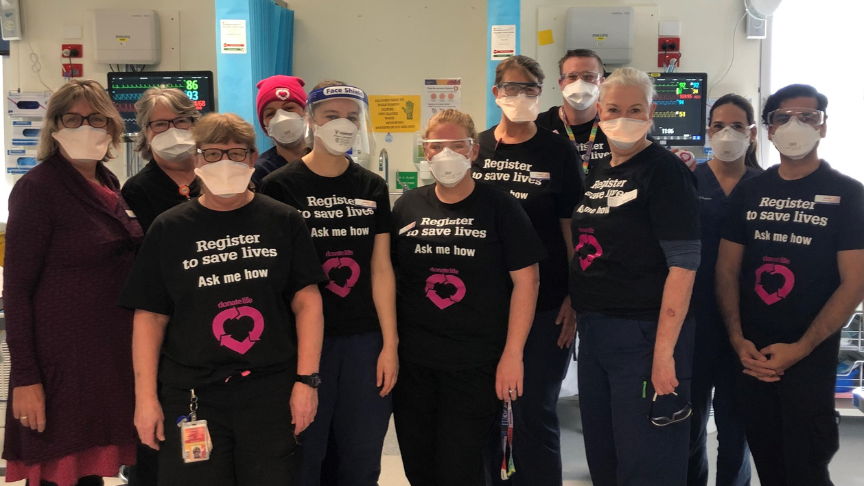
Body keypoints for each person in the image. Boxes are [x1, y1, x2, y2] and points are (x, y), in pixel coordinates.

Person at [119, 113, 327, 486]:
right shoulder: (169, 228)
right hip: (192, 395)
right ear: (197, 160)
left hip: (269, 391)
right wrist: (145, 399)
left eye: (237, 153)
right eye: (213, 153)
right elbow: (150, 317)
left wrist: (306, 382)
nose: (225, 163)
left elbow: (307, 302)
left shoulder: (283, 220)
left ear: (252, 158)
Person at [716, 84, 864, 486]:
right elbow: (727, 270)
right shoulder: (751, 190)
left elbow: (855, 283)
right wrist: (736, 338)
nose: (794, 126)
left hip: (809, 357)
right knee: (768, 462)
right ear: (767, 130)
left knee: (806, 468)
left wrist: (800, 349)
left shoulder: (849, 194)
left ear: (824, 126)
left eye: (807, 116)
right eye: (783, 117)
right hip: (751, 354)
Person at [392, 109, 546, 486]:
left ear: (474, 151)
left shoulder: (500, 206)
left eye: (457, 145)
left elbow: (528, 282)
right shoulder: (407, 205)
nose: (446, 154)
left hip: (475, 364)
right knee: (418, 464)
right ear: (425, 152)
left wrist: (513, 355)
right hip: (415, 364)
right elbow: (392, 279)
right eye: (436, 145)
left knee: (460, 467)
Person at [2, 79, 143, 486]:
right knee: (59, 472)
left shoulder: (109, 185)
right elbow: (17, 290)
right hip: (58, 365)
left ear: (112, 127)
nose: (86, 127)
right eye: (73, 118)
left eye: (96, 118)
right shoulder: (38, 189)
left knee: (92, 472)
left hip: (104, 360)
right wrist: (26, 378)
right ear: (55, 126)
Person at [259, 80, 397, 486]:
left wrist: (390, 344)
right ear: (310, 121)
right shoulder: (280, 186)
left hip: (363, 340)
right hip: (304, 342)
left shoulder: (371, 186)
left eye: (352, 117)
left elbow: (380, 268)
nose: (343, 124)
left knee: (361, 453)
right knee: (306, 452)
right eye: (331, 116)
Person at [569, 67, 701, 486]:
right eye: (612, 109)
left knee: (649, 466)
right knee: (605, 460)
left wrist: (664, 354)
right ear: (599, 112)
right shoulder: (600, 171)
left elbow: (683, 265)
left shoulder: (664, 172)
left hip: (645, 337)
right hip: (597, 335)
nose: (622, 117)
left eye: (634, 109)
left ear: (652, 113)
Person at [471, 54, 582, 486]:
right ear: (496, 92)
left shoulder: (558, 150)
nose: (519, 96)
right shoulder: (476, 147)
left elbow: (571, 226)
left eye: (529, 89)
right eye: (510, 88)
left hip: (546, 302)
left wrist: (576, 294)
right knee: (486, 412)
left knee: (533, 409)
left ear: (542, 95)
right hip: (486, 304)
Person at [687, 94, 762, 486]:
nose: (728, 133)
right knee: (689, 426)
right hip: (695, 321)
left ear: (752, 133)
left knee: (736, 430)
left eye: (737, 126)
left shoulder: (766, 186)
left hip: (746, 326)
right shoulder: (687, 180)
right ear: (707, 132)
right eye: (719, 126)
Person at [122, 88, 201, 234]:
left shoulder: (213, 175)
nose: (172, 130)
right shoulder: (137, 190)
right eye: (160, 124)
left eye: (181, 121)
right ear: (146, 132)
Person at [536, 49, 607, 178]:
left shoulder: (614, 125)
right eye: (572, 77)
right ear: (561, 83)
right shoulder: (539, 126)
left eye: (589, 76)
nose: (579, 83)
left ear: (601, 83)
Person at [251, 75, 308, 188]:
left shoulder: (331, 162)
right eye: (270, 114)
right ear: (265, 128)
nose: (282, 118)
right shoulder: (260, 172)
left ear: (306, 113)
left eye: (289, 109)